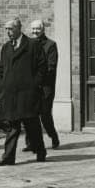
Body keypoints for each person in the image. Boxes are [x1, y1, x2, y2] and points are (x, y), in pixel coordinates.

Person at [0, 17, 47, 166]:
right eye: (6, 29)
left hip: (28, 94)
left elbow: (42, 67)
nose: (8, 32)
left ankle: (40, 151)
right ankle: (8, 157)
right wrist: (2, 85)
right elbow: (1, 69)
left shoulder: (33, 45)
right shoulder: (6, 47)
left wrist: (35, 85)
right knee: (12, 127)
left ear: (18, 28)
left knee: (32, 126)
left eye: (10, 29)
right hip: (10, 94)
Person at [23, 19, 60, 152]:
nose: (35, 31)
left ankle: (53, 137)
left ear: (43, 29)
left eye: (37, 29)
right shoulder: (28, 45)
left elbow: (51, 67)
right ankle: (30, 143)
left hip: (45, 87)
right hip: (31, 87)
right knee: (29, 115)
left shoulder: (51, 45)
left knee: (45, 115)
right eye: (33, 29)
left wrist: (37, 78)